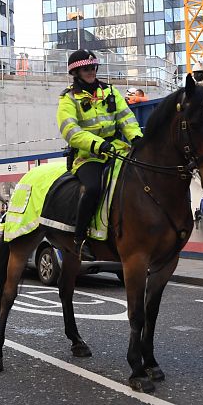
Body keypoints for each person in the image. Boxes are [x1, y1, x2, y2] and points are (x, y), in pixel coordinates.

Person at [58, 49, 143, 259]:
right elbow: (70, 131)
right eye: (85, 69)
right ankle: (80, 238)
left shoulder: (111, 92)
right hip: (88, 156)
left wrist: (137, 138)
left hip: (116, 150)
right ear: (76, 72)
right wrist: (97, 144)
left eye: (93, 67)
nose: (90, 72)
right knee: (93, 188)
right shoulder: (68, 99)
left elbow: (126, 119)